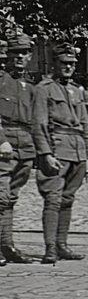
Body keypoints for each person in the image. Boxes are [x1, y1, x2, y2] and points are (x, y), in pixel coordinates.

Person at [30, 44, 88, 264]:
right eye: (64, 63)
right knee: (53, 199)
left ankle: (62, 244)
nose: (68, 67)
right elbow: (38, 123)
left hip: (76, 150)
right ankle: (50, 249)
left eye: (72, 64)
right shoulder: (43, 88)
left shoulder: (77, 91)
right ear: (55, 64)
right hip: (56, 149)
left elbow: (85, 124)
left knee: (68, 199)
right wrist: (46, 153)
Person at [0, 33, 38, 264]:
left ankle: (7, 245)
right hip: (4, 144)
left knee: (11, 198)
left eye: (24, 53)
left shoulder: (29, 86)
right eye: (16, 53)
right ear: (8, 56)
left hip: (25, 146)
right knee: (0, 197)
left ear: (30, 56)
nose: (20, 57)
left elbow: (35, 120)